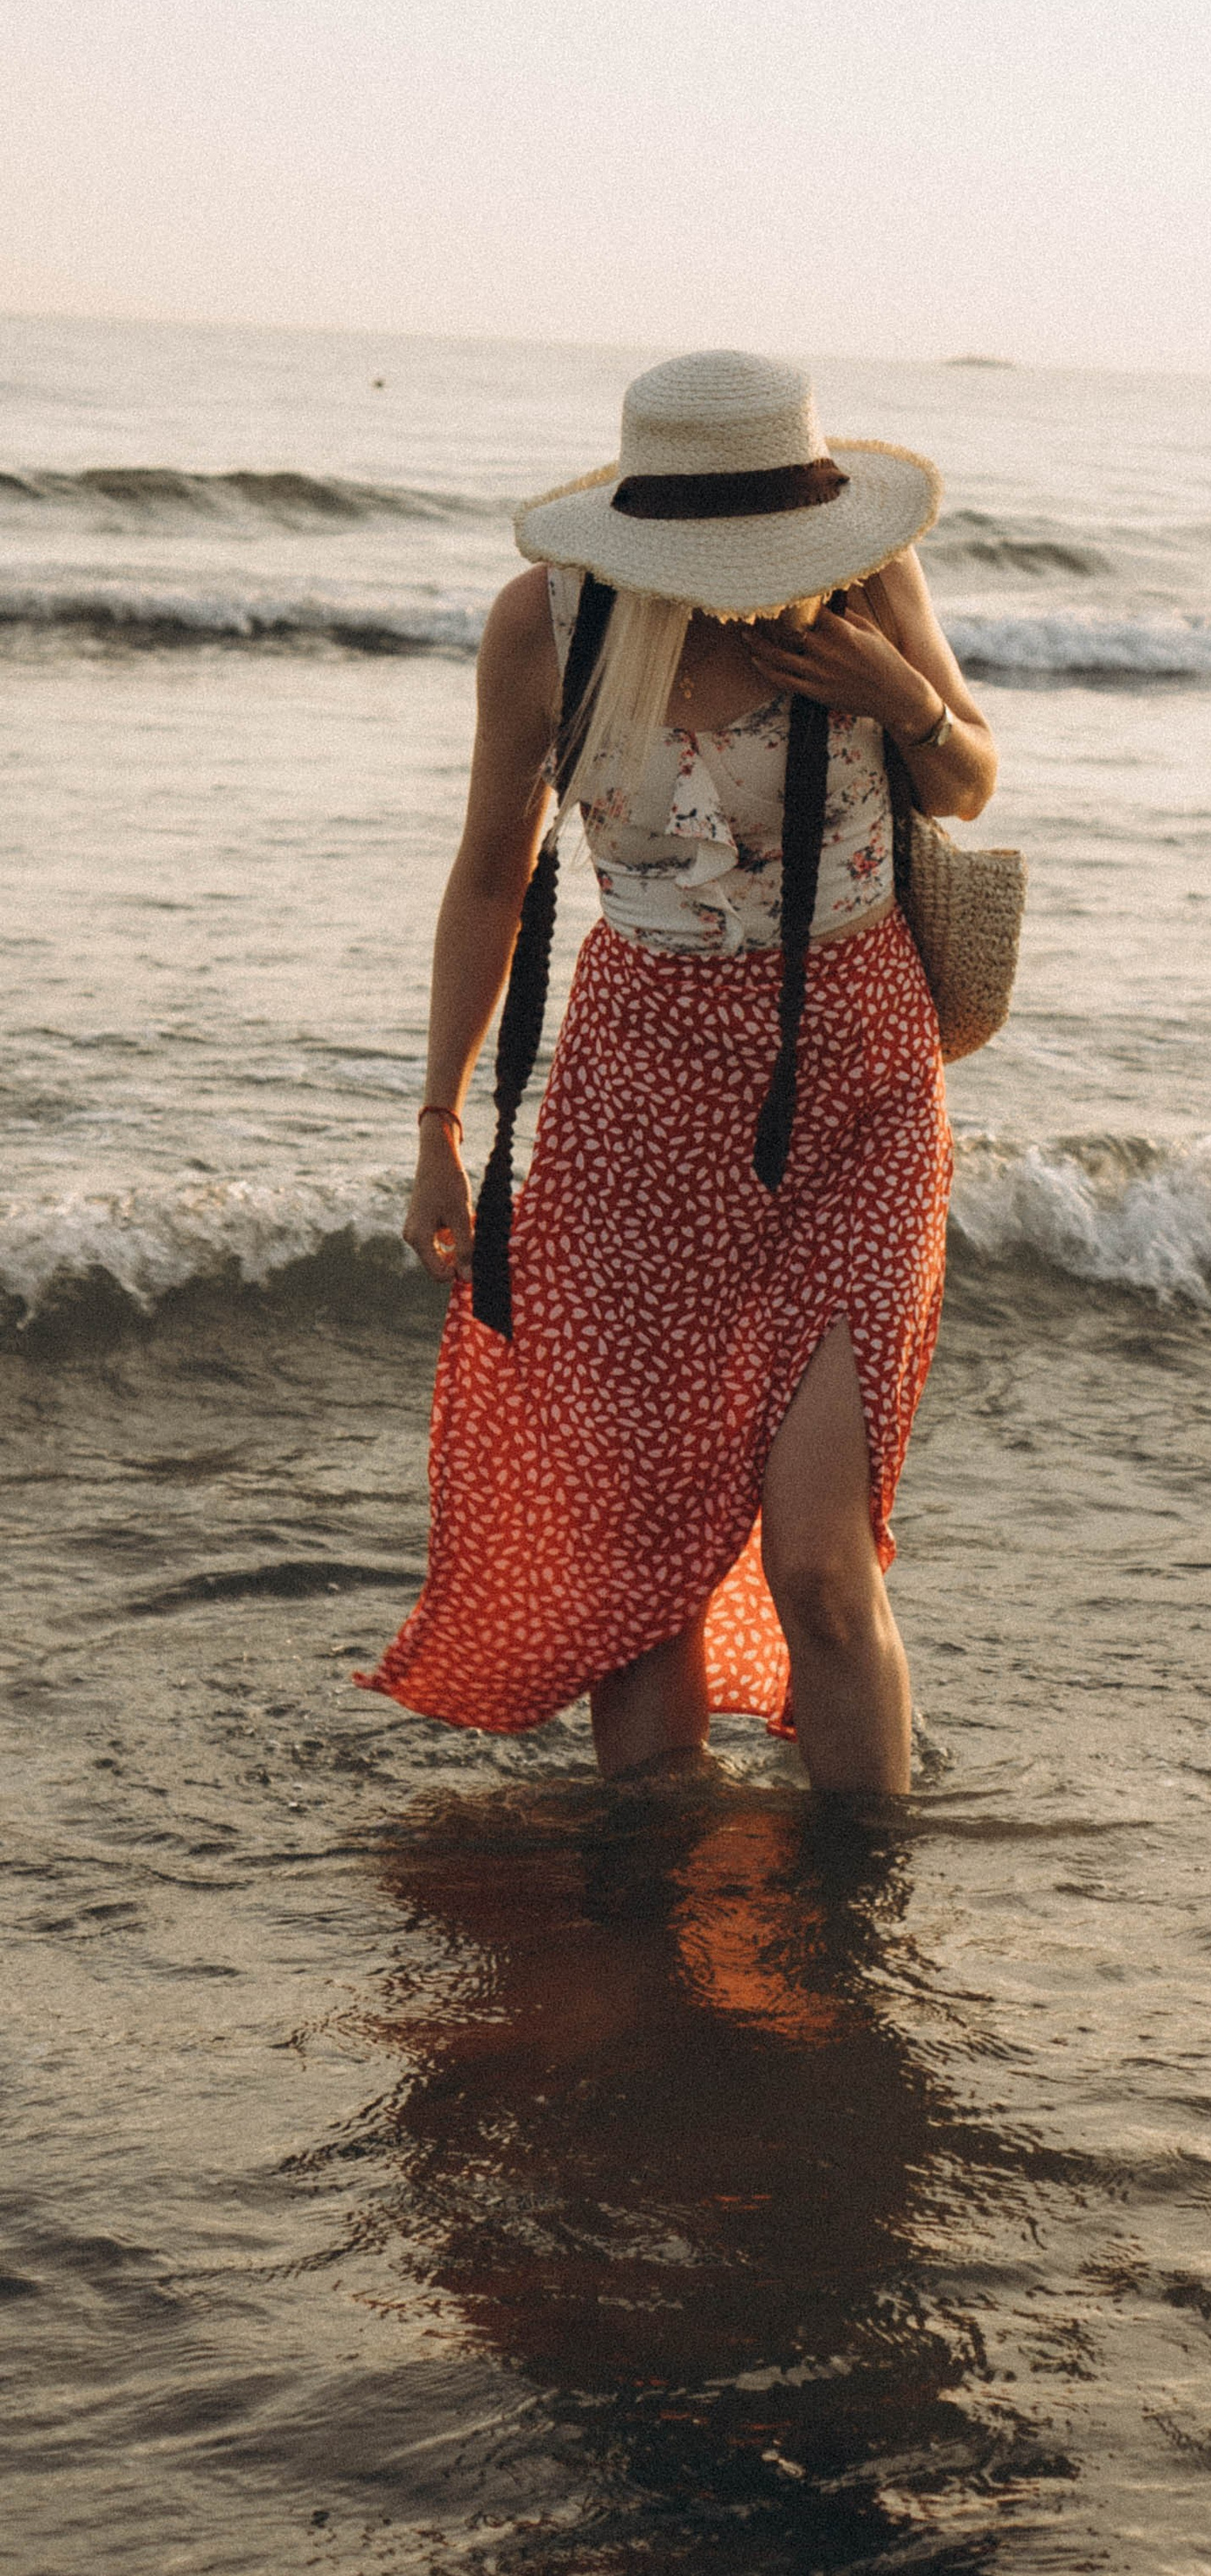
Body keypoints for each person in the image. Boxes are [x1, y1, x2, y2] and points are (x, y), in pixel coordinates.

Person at [360, 351, 996, 1795]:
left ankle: (858, 1941)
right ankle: (655, 1926)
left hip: (861, 1093)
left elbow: (967, 781)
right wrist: (439, 1123)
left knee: (824, 1560)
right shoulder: (550, 627)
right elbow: (487, 878)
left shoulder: (869, 589)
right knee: (634, 1561)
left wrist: (902, 694)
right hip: (636, 1097)